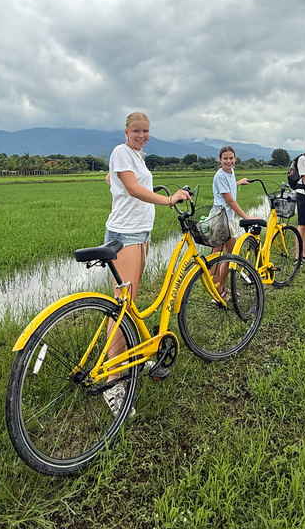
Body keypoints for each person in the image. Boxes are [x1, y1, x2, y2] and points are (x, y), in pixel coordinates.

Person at [104, 111, 189, 416]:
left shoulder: (136, 156)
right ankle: (113, 382)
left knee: (129, 303)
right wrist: (168, 200)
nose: (142, 135)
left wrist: (112, 179)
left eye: (146, 131)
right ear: (126, 131)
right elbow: (131, 188)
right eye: (137, 130)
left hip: (139, 234)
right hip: (125, 236)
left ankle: (129, 359)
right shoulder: (121, 151)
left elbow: (116, 179)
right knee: (121, 308)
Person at [210, 146, 252, 298]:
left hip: (228, 219)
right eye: (225, 159)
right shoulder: (220, 176)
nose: (228, 161)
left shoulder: (230, 172)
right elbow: (230, 201)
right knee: (215, 258)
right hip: (220, 219)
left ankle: (222, 288)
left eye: (231, 158)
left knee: (231, 255)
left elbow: (229, 188)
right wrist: (246, 217)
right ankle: (217, 293)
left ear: (235, 158)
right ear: (220, 160)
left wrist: (239, 183)